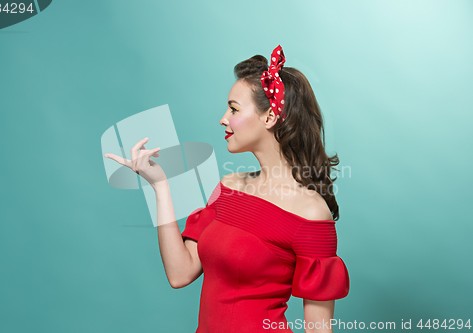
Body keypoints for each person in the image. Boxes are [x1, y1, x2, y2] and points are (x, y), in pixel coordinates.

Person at [104, 45, 349, 333]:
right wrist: (159, 185)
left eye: (233, 109)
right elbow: (180, 273)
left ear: (269, 117)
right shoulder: (228, 188)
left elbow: (318, 330)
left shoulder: (310, 212)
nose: (223, 118)